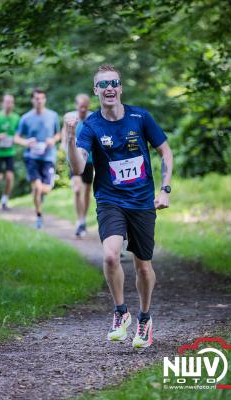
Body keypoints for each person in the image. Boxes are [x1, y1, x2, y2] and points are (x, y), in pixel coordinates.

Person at [66, 64, 173, 348]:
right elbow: (78, 167)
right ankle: (120, 312)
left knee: (143, 266)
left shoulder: (140, 117)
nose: (109, 87)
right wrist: (68, 134)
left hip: (141, 202)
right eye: (103, 84)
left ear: (121, 87)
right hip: (110, 200)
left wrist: (165, 189)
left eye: (114, 82)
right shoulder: (90, 125)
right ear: (96, 91)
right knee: (111, 257)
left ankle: (145, 318)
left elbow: (165, 151)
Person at [14, 89, 61, 229]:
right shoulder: (26, 118)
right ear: (32, 100)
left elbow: (58, 134)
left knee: (45, 189)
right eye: (36, 98)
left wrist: (53, 140)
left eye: (41, 98)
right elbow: (16, 137)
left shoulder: (53, 116)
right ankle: (39, 216)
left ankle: (41, 194)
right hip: (31, 157)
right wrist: (26, 142)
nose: (39, 101)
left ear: (45, 99)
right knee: (36, 187)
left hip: (48, 157)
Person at [62, 94, 94, 237]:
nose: (83, 109)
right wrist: (67, 151)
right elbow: (64, 136)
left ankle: (83, 219)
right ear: (76, 105)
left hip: (89, 161)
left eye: (85, 107)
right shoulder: (69, 117)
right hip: (74, 160)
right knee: (76, 189)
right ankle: (80, 220)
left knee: (87, 191)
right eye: (81, 106)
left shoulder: (93, 117)